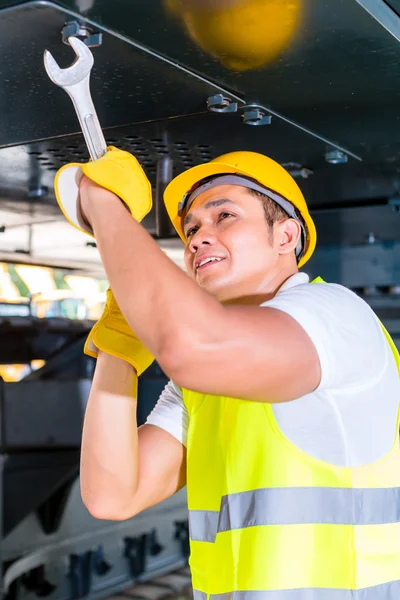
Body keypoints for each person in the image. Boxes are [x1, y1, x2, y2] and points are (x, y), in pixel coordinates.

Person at [55, 148, 400, 598]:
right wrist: (118, 346)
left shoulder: (334, 315)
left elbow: (194, 346)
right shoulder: (202, 381)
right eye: (192, 228)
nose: (198, 237)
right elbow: (113, 494)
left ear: (286, 235)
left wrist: (103, 203)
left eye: (224, 216)